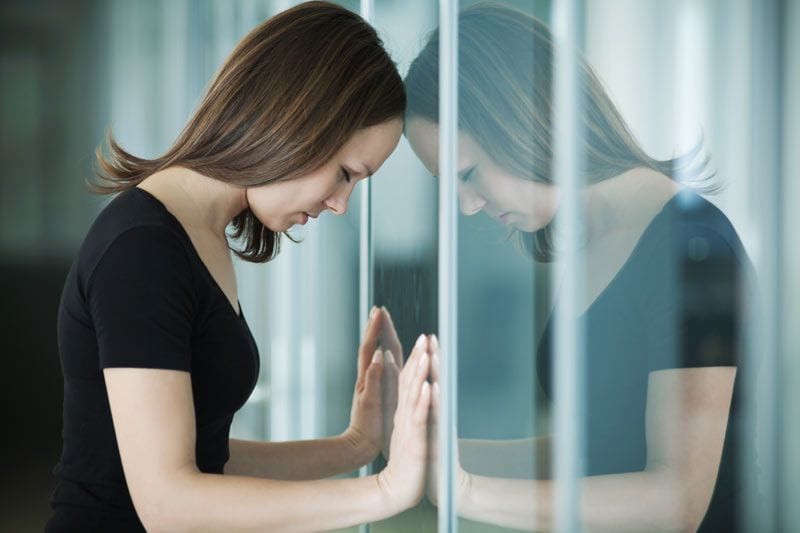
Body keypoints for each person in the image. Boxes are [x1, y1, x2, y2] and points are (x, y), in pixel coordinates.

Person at [46, 3, 433, 531]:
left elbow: (208, 460)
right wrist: (382, 492)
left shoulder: (191, 234)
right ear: (296, 121)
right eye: (345, 173)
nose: (342, 203)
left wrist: (356, 446)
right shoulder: (143, 250)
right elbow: (169, 503)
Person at [403, 3, 757, 531]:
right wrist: (427, 456)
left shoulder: (694, 250)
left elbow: (677, 500)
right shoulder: (592, 240)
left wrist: (468, 494)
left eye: (470, 173)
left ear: (524, 119)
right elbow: (590, 457)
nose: (467, 205)